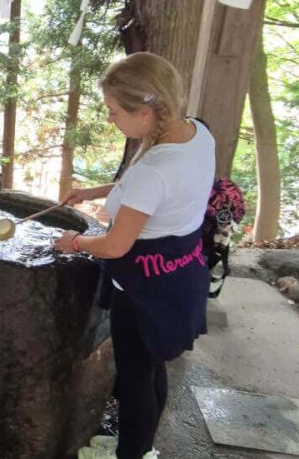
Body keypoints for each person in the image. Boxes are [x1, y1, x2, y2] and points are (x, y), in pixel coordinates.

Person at [54, 52, 215, 459]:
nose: (110, 119)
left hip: (146, 285)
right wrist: (93, 192)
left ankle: (132, 453)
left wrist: (74, 241)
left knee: (135, 380)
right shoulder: (197, 132)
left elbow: (114, 245)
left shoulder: (153, 169)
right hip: (182, 273)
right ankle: (142, 447)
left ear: (144, 113)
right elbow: (153, 192)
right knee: (153, 364)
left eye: (113, 111)